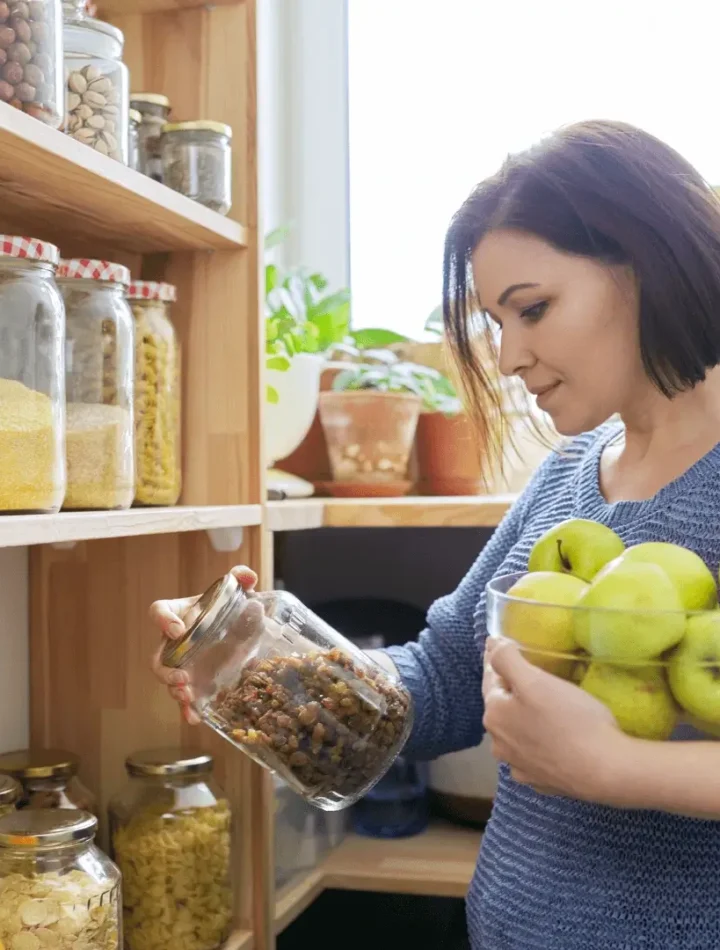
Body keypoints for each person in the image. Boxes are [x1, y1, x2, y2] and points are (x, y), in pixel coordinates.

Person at [149, 120, 720, 949]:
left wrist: (617, 769)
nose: (508, 356)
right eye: (495, 320)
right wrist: (264, 665)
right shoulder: (566, 478)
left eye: (533, 308)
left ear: (648, 260)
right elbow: (448, 677)